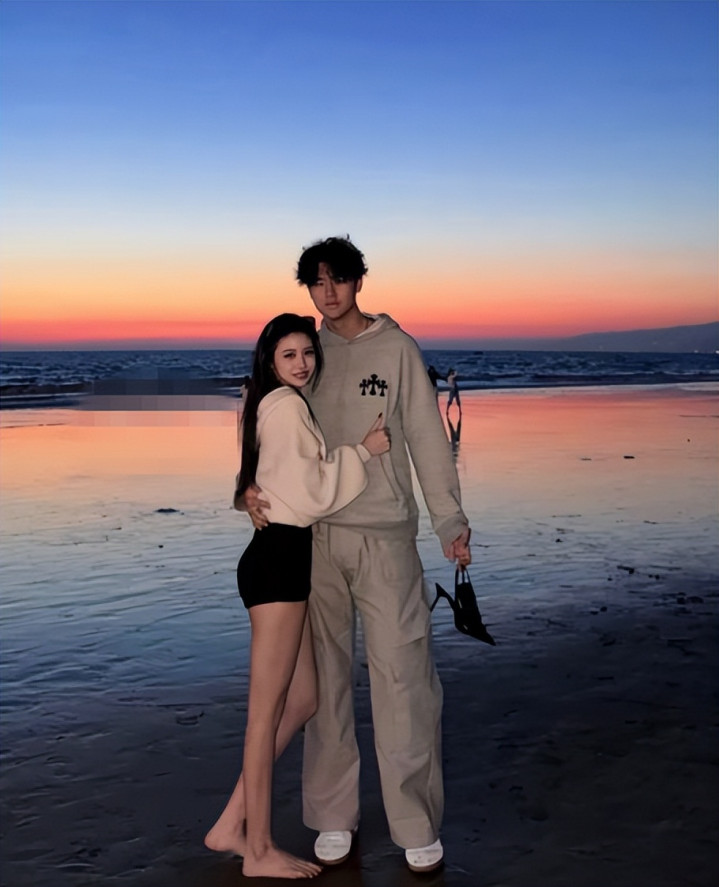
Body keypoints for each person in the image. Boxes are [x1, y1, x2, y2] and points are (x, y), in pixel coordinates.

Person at [242, 238, 472, 873]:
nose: (329, 292)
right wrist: (247, 491)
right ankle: (332, 815)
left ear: (358, 281)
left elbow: (427, 438)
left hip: (384, 534)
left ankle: (415, 822)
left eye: (338, 279)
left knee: (404, 679)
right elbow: (265, 431)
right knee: (326, 685)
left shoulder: (397, 350)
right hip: (314, 539)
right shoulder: (305, 356)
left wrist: (449, 519)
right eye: (317, 283)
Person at [205, 313, 390, 880]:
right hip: (278, 566)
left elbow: (269, 478)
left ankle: (230, 824)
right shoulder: (285, 407)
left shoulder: (272, 403)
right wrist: (363, 452)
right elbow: (311, 495)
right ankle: (258, 850)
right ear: (270, 360)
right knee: (263, 717)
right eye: (289, 355)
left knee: (303, 699)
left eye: (308, 352)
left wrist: (247, 493)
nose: (302, 363)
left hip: (282, 562)